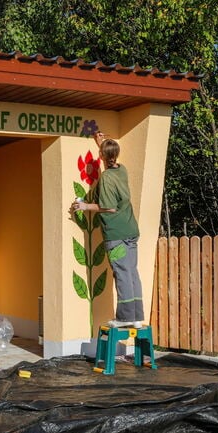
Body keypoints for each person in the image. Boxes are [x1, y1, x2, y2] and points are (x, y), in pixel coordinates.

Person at [72, 131, 144, 328]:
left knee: (121, 272)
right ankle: (136, 317)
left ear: (102, 156)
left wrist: (85, 207)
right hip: (130, 230)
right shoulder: (122, 170)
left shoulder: (106, 178)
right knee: (131, 272)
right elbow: (109, 154)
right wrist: (102, 142)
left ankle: (124, 318)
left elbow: (109, 207)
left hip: (116, 234)